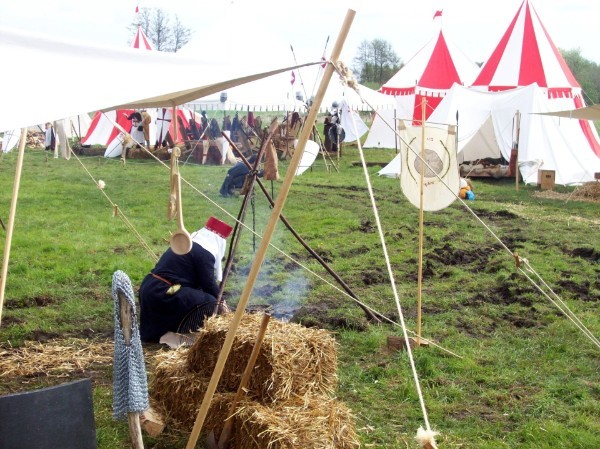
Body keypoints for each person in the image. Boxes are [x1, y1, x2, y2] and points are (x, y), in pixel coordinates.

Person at [138, 216, 233, 342]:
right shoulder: (204, 252)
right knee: (209, 302)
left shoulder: (188, 243)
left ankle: (169, 330)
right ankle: (188, 333)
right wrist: (222, 304)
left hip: (152, 288)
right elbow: (208, 284)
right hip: (163, 292)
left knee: (199, 295)